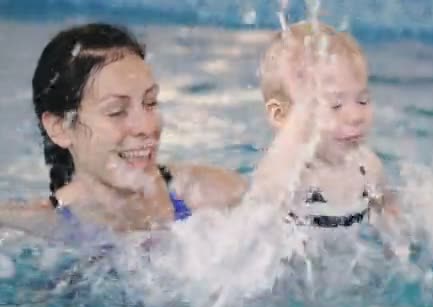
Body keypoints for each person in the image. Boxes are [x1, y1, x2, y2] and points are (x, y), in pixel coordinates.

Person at [0, 23, 245, 236]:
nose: (147, 127)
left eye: (150, 103)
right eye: (116, 111)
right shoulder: (35, 231)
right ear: (60, 128)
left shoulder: (213, 195)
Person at [248, 21, 401, 233]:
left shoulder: (368, 167)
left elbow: (390, 210)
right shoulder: (291, 174)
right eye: (335, 105)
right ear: (281, 116)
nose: (355, 116)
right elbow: (256, 207)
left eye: (363, 100)